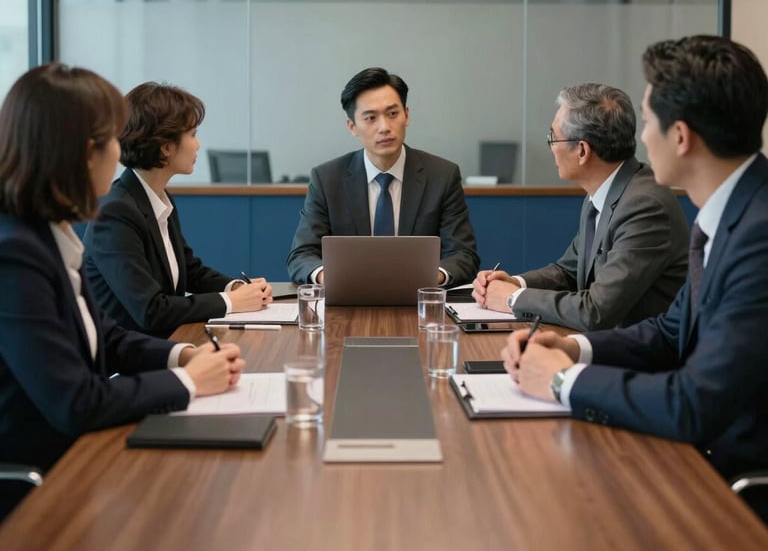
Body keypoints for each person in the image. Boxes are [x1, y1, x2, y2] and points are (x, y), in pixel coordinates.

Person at [503, 36, 768, 511]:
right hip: (699, 450)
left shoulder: (758, 235)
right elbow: (671, 334)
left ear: (681, 137)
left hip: (729, 482)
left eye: (648, 122)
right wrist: (571, 347)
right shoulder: (731, 216)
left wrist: (563, 381)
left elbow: (694, 402)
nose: (641, 137)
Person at [0, 64, 245, 518]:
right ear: (77, 152)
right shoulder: (14, 256)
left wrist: (182, 356)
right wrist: (189, 382)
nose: (120, 153)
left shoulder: (46, 234)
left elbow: (105, 334)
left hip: (82, 456)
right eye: (112, 140)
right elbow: (76, 402)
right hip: (46, 484)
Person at [472, 83, 689, 331]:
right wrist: (516, 283)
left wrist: (513, 299)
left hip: (641, 358)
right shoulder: (603, 191)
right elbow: (568, 271)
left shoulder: (645, 206)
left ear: (582, 150)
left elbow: (596, 311)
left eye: (553, 137)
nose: (552, 147)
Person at [84, 82, 272, 337]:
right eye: (193, 134)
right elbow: (151, 310)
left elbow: (190, 270)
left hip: (164, 344)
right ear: (166, 146)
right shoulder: (116, 213)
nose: (198, 145)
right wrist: (232, 302)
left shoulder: (156, 197)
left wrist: (235, 287)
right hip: (129, 361)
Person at [286, 67, 479, 285]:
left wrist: (430, 277)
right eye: (370, 118)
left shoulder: (442, 176)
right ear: (352, 126)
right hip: (348, 302)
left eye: (393, 114)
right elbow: (301, 255)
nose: (384, 127)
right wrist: (329, 277)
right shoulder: (327, 179)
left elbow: (463, 255)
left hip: (418, 302)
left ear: (407, 115)